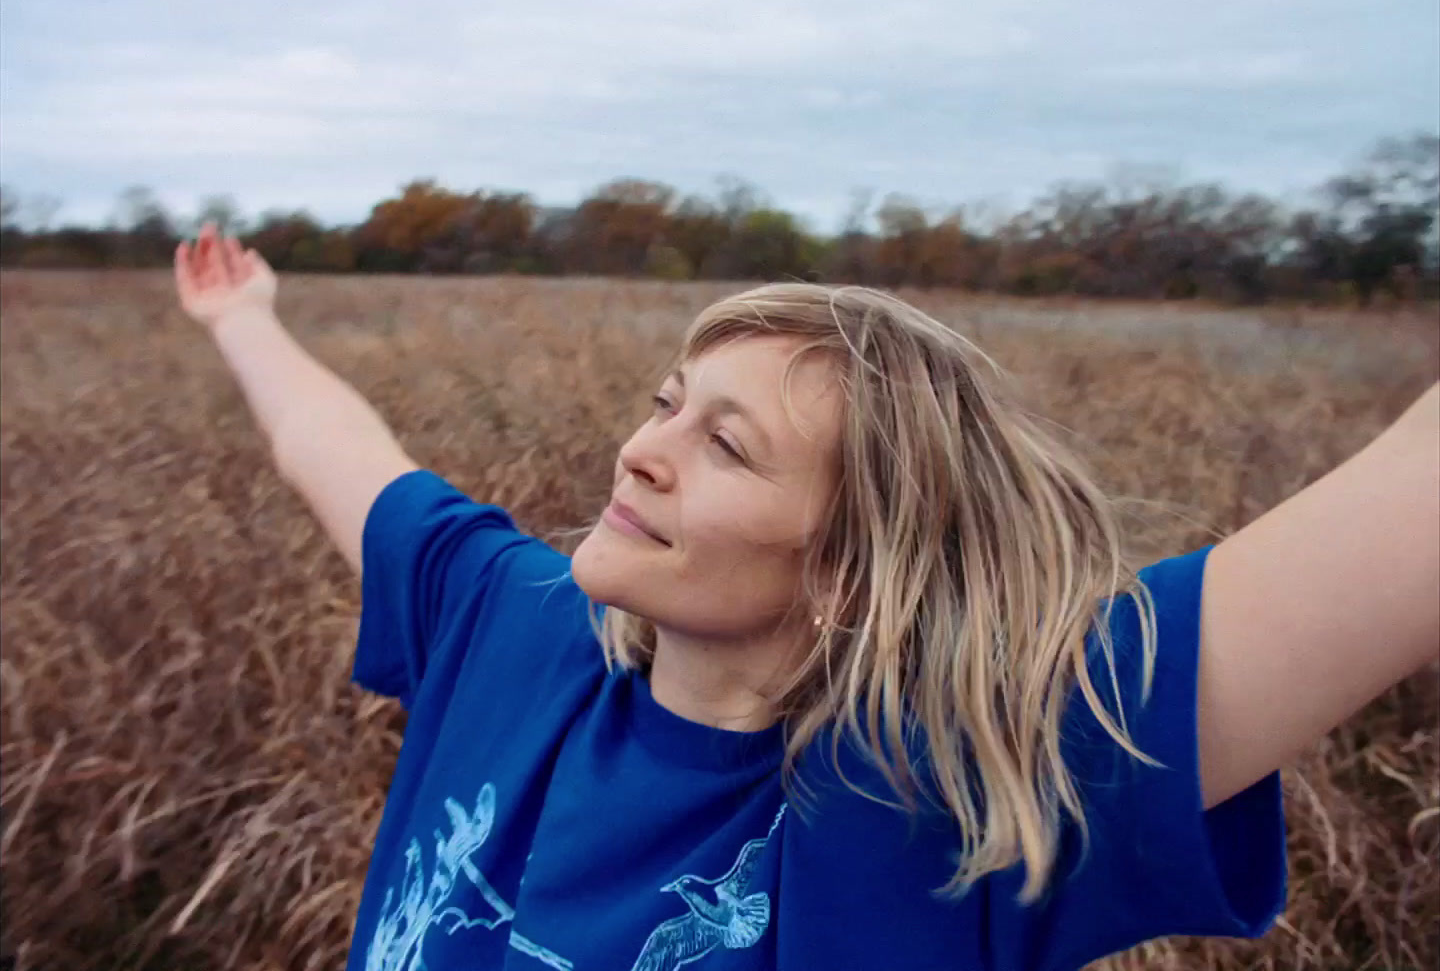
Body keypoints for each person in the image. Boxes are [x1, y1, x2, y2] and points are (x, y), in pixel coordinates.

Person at [175, 221, 1439, 971]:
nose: (640, 450)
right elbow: (338, 452)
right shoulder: (516, 621)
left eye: (725, 446)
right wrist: (245, 317)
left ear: (850, 565)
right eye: (667, 403)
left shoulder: (959, 789)